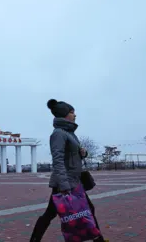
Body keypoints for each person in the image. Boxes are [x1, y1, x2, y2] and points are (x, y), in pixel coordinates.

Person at [30, 99, 105, 242]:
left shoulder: (70, 133)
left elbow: (71, 156)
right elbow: (57, 160)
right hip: (64, 183)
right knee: (49, 215)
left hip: (74, 181)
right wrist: (64, 185)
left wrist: (83, 153)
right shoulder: (58, 133)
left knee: (88, 209)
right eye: (72, 112)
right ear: (64, 114)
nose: (75, 115)